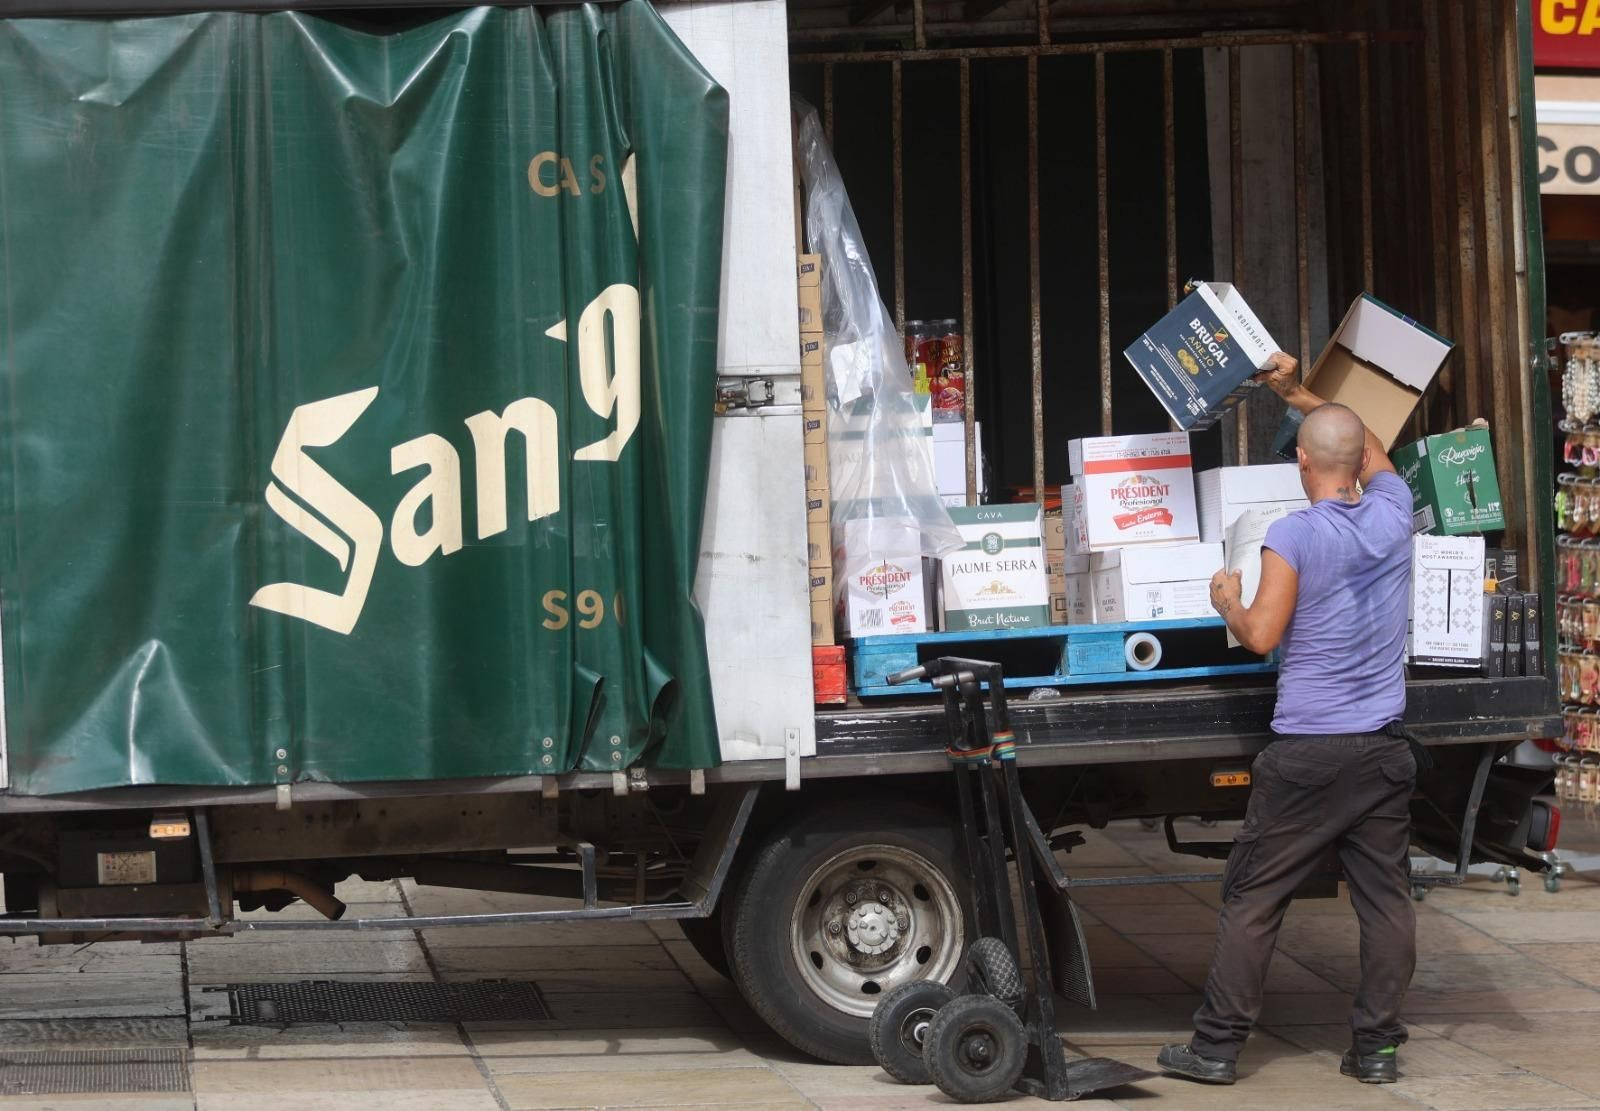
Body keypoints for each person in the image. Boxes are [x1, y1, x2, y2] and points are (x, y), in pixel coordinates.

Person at [1157, 351, 1418, 1087]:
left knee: (1254, 896)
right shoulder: (1395, 513)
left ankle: (1216, 1047)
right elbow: (1371, 447)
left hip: (1308, 753)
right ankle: (1378, 1048)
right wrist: (1300, 393)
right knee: (1386, 902)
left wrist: (1227, 601)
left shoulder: (1294, 534)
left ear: (1302, 461)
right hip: (1383, 749)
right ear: (1358, 464)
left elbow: (1262, 634)